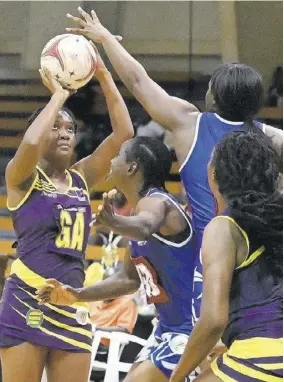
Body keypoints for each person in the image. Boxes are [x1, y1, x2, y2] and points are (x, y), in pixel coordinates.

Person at [65, 7, 283, 324]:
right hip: (262, 266)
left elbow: (138, 81)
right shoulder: (272, 139)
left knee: (209, 353)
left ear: (214, 96)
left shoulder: (189, 124)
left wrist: (105, 39)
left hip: (211, 263)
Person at [0, 49, 133, 382]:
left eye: (70, 128)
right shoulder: (22, 177)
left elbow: (124, 133)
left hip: (71, 303)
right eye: (55, 126)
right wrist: (59, 95)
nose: (63, 133)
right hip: (26, 300)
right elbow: (30, 142)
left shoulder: (82, 177)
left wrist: (102, 72)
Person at [37, 136, 197, 382]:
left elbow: (146, 225)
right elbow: (128, 279)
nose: (113, 159)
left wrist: (115, 223)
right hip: (166, 328)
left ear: (132, 167)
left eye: (119, 154)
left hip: (191, 328)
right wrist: (77, 294)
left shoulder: (157, 202)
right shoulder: (138, 213)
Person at [169, 130, 283, 381]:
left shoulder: (223, 227)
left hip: (262, 358)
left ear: (214, 175)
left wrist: (176, 377)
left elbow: (213, 320)